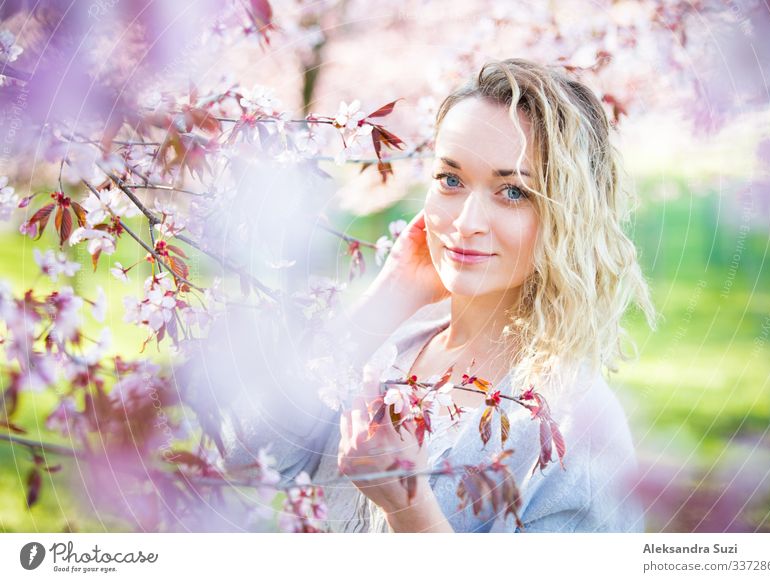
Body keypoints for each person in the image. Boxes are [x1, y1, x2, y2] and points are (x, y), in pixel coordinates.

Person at [221, 57, 658, 533]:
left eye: (512, 191)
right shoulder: (390, 343)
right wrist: (389, 297)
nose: (466, 222)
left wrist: (408, 507)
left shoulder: (576, 426)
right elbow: (245, 455)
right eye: (451, 180)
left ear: (569, 215)